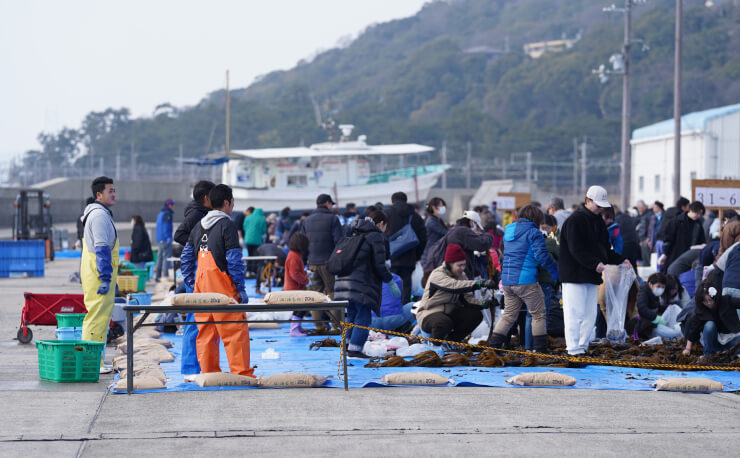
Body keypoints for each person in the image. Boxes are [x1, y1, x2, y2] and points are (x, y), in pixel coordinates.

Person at [180, 184, 253, 377]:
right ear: (227, 203)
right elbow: (234, 259)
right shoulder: (227, 224)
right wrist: (240, 287)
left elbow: (186, 257)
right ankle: (241, 374)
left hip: (201, 286)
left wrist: (190, 280)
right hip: (223, 287)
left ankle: (209, 372)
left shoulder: (198, 226)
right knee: (234, 331)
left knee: (205, 332)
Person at [559, 186, 628, 355]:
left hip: (591, 274)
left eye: (602, 206)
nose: (600, 209)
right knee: (574, 313)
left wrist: (620, 259)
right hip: (574, 275)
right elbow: (576, 249)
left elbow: (604, 248)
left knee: (589, 315)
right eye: (598, 205)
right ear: (587, 201)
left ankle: (582, 346)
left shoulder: (597, 221)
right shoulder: (575, 220)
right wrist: (594, 263)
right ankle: (573, 349)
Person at [487, 205, 558, 353]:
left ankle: (492, 348)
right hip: (526, 281)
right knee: (538, 315)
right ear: (536, 219)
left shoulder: (508, 230)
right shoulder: (534, 233)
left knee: (508, 316)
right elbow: (542, 257)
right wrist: (556, 271)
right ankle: (540, 351)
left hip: (507, 281)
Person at [334, 211, 399, 358]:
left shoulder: (350, 233)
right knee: (363, 317)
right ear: (381, 224)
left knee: (351, 315)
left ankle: (347, 345)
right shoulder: (376, 237)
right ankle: (355, 349)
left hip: (342, 283)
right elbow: (380, 265)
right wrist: (390, 281)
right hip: (362, 284)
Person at [172, 180, 214, 377]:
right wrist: (198, 245)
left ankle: (200, 365)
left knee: (201, 321)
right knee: (194, 320)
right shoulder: (197, 214)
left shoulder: (203, 213)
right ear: (206, 198)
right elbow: (179, 234)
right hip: (195, 273)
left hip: (202, 270)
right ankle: (190, 367)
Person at [416, 244, 494, 346]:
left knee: (475, 314)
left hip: (449, 314)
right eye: (459, 265)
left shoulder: (462, 276)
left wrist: (484, 303)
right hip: (429, 314)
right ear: (449, 264)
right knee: (443, 323)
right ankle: (434, 346)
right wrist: (479, 283)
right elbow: (454, 286)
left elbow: (468, 299)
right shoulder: (438, 274)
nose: (462, 268)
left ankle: (451, 342)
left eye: (464, 265)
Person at [80, 176, 119, 374]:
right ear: (98, 194)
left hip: (97, 273)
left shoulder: (99, 214)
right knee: (96, 318)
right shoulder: (99, 216)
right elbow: (102, 248)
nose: (113, 193)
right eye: (109, 190)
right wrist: (105, 278)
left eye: (114, 190)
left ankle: (96, 359)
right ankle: (91, 361)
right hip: (98, 275)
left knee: (100, 318)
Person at [302, 194, 344, 327]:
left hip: (312, 263)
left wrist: (305, 261)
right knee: (332, 292)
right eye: (331, 204)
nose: (332, 206)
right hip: (328, 263)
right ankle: (335, 325)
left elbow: (302, 242)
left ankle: (318, 325)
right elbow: (339, 242)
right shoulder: (333, 219)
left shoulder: (307, 220)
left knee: (315, 294)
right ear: (327, 203)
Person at [683, 271, 740, 357]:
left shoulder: (726, 300)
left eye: (710, 300)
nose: (709, 303)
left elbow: (738, 302)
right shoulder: (701, 312)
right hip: (714, 343)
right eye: (705, 301)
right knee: (709, 325)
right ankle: (707, 354)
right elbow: (693, 331)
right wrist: (687, 349)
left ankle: (733, 354)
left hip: (731, 341)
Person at [386, 192, 427, 303]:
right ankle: (405, 309)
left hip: (391, 257)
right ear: (406, 201)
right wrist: (417, 256)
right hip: (409, 258)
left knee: (392, 284)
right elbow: (423, 238)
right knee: (406, 285)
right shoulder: (415, 216)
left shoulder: (387, 214)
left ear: (392, 202)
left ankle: (393, 309)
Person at [659, 201, 706, 274]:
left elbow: (702, 240)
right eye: (697, 213)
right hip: (675, 253)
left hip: (690, 256)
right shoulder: (677, 221)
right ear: (690, 210)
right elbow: (668, 238)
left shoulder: (698, 224)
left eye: (700, 214)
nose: (698, 216)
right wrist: (664, 253)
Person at [636, 273, 681, 340]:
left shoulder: (653, 293)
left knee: (673, 308)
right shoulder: (643, 293)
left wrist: (666, 308)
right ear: (650, 284)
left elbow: (656, 306)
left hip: (652, 322)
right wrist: (655, 318)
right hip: (645, 325)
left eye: (663, 287)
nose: (660, 289)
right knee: (673, 333)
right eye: (658, 286)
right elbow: (642, 308)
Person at [284, 232, 311, 336]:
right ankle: (294, 329)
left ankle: (297, 326)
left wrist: (305, 273)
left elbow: (297, 271)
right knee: (300, 307)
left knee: (301, 307)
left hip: (297, 288)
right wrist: (306, 280)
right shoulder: (293, 256)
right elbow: (294, 274)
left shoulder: (295, 255)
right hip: (293, 289)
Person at [421, 197, 448, 265]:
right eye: (441, 206)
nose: (443, 208)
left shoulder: (437, 220)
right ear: (433, 207)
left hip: (436, 253)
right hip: (430, 255)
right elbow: (445, 232)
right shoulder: (431, 221)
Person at [154, 199, 175, 281]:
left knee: (160, 258)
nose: (173, 207)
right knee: (167, 259)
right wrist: (168, 237)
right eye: (172, 205)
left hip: (159, 239)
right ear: (169, 205)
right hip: (165, 239)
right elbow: (166, 227)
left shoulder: (161, 213)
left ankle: (158, 276)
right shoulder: (167, 214)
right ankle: (165, 277)